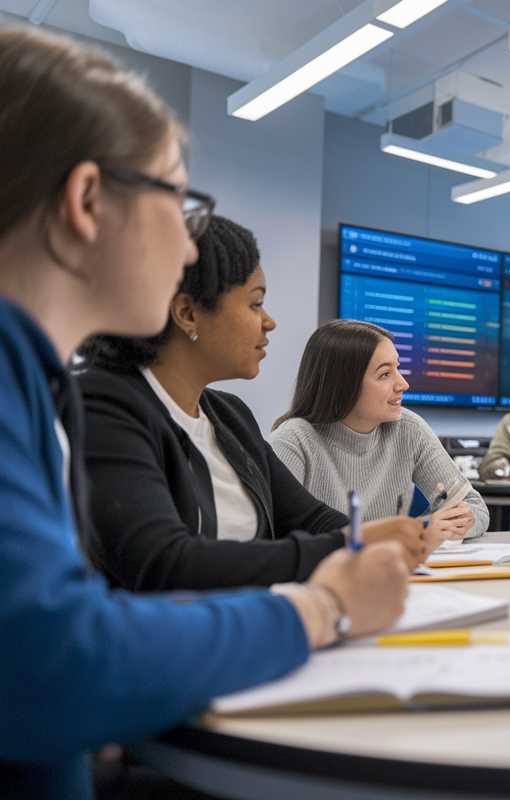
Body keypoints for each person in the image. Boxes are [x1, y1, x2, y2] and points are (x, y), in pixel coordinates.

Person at [0, 27, 407, 798]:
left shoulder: (34, 380)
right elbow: (54, 665)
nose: (189, 250)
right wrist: (322, 609)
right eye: (177, 200)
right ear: (88, 200)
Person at [76, 216, 435, 592]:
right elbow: (164, 563)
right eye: (255, 304)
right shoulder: (101, 405)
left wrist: (386, 538)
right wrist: (349, 545)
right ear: (188, 313)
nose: (269, 322)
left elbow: (310, 519)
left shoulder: (230, 416)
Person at [271, 318, 488, 539]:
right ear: (343, 385)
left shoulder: (409, 429)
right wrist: (414, 530)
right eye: (385, 374)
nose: (403, 384)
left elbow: (475, 507)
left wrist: (457, 522)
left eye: (398, 368)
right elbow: (277, 538)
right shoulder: (292, 441)